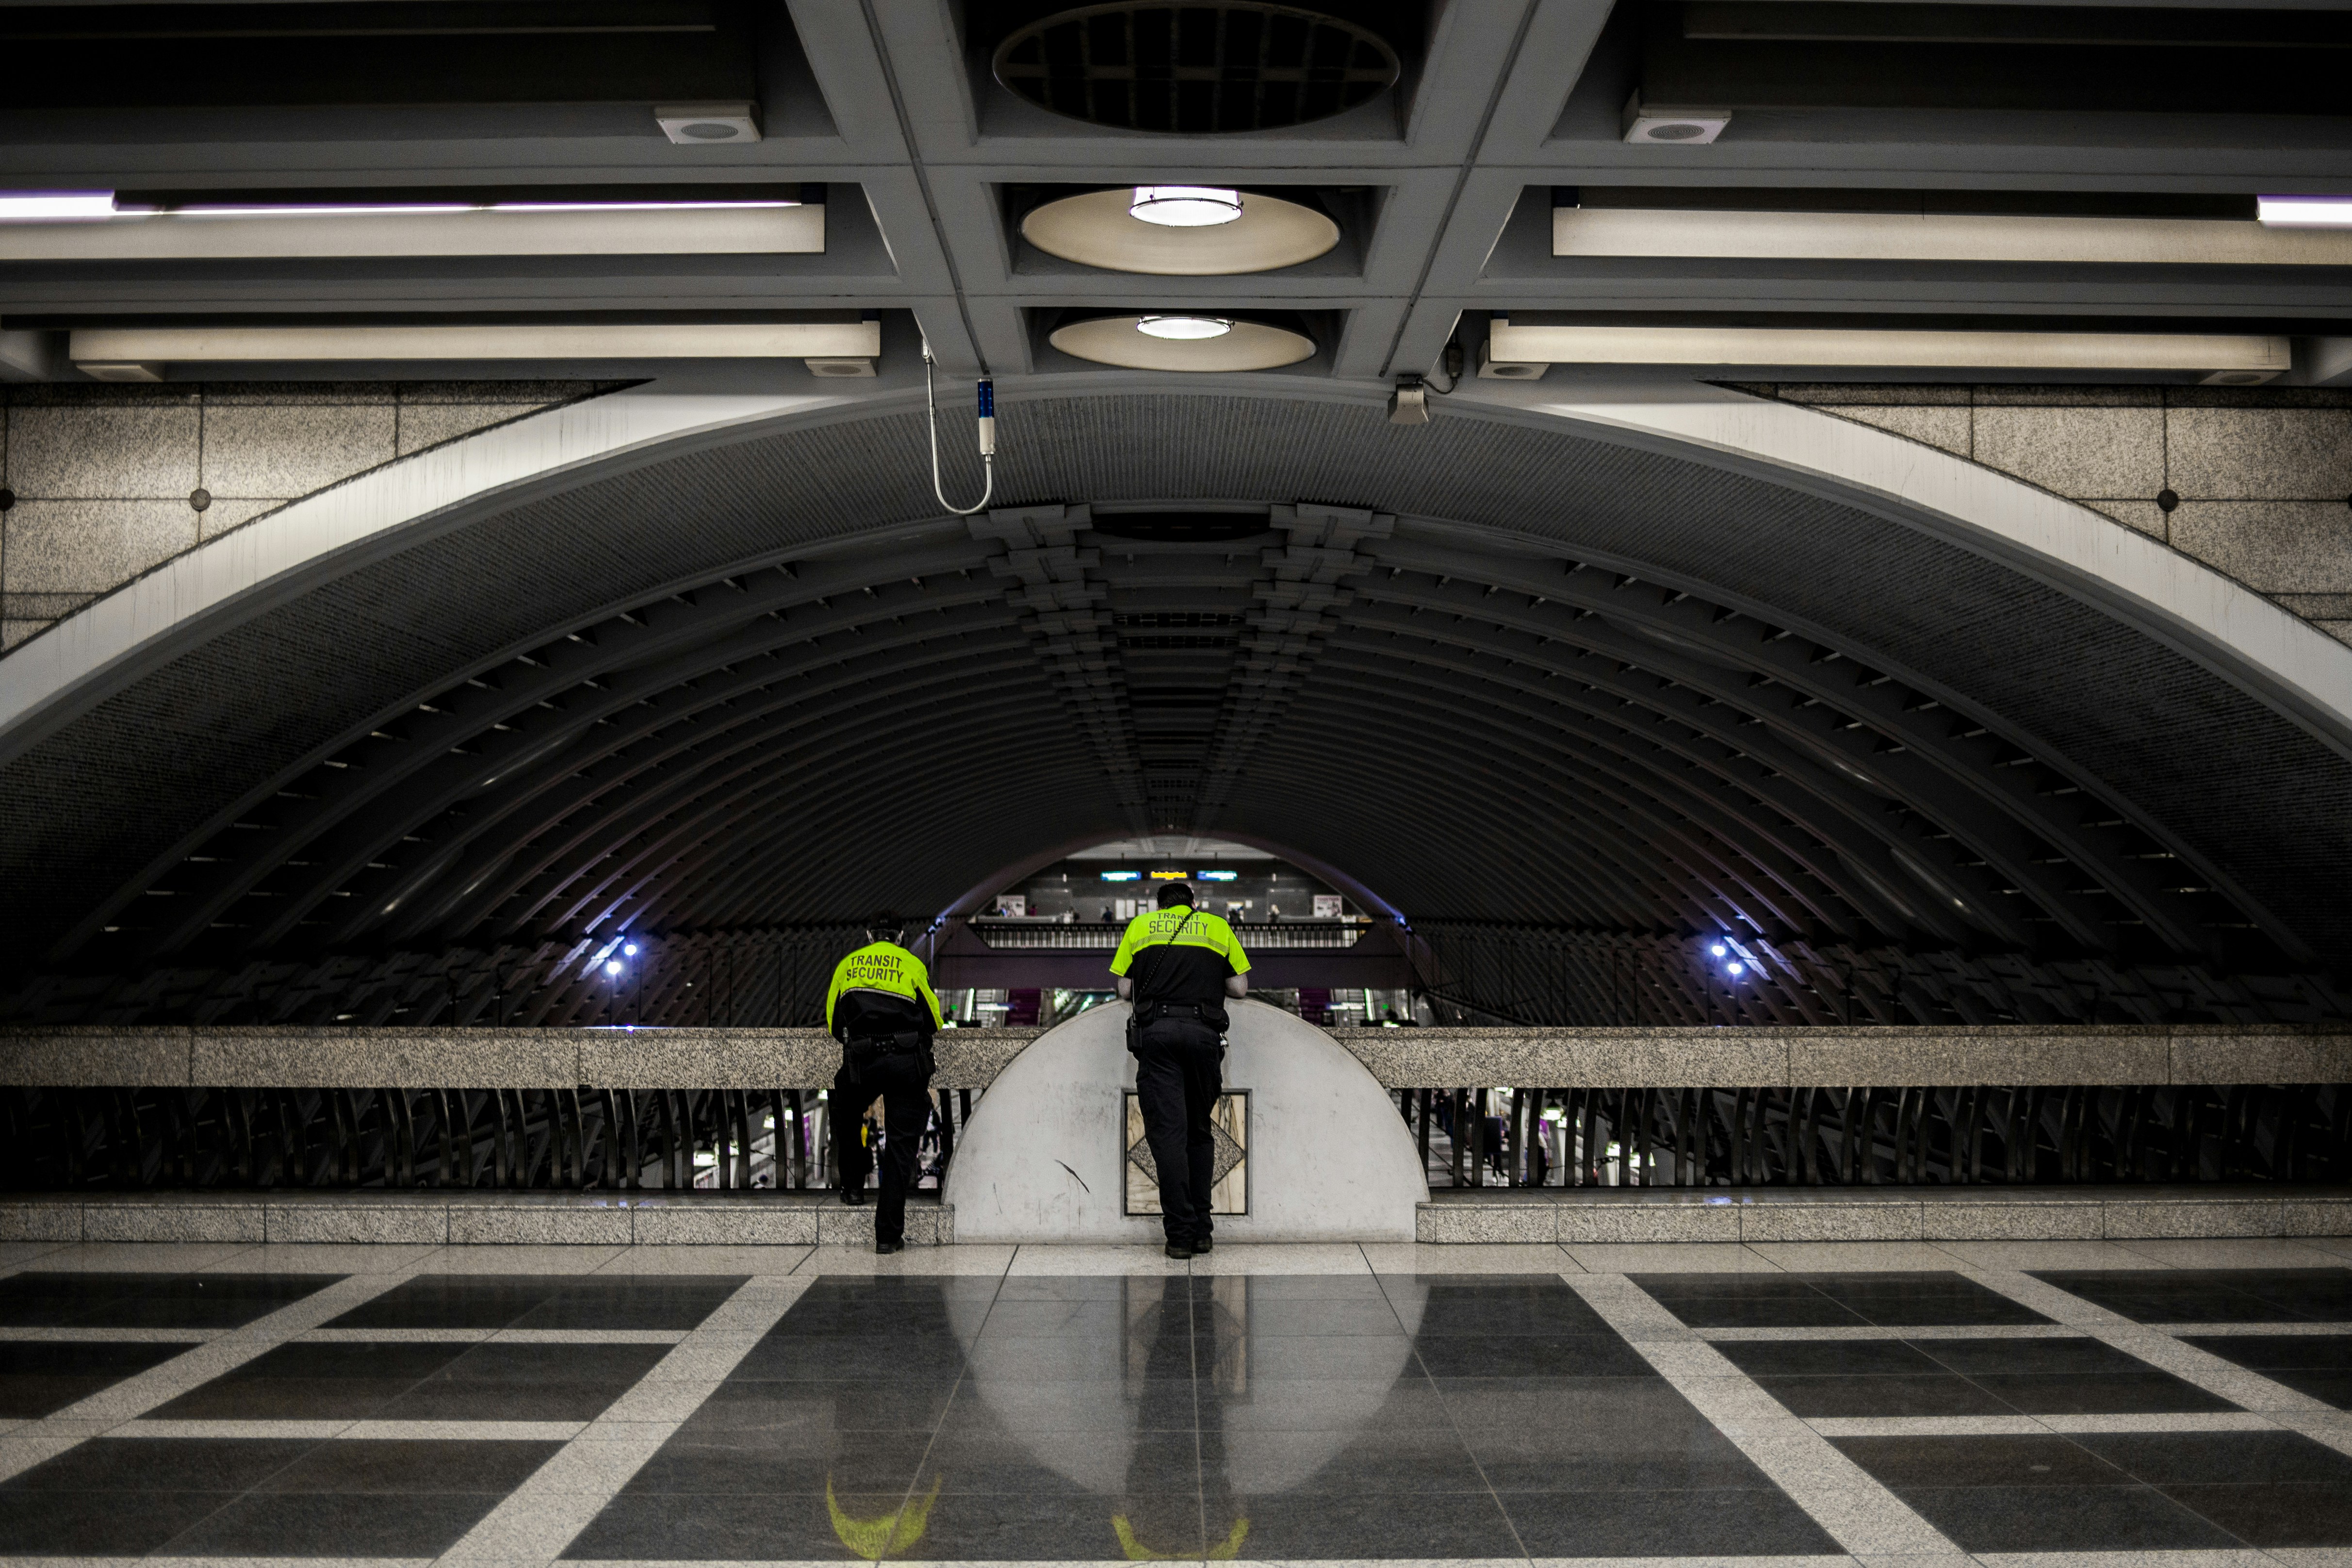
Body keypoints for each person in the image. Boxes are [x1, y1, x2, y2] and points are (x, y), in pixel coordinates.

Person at [1111, 881, 1251, 1258]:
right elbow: (1239, 987)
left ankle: (1179, 1236)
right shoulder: (1217, 927)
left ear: (1159, 906)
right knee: (1200, 1132)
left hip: (1156, 1039)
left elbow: (1124, 990)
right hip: (1204, 1038)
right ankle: (1203, 1232)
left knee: (1168, 1136)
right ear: (1193, 903)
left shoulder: (1140, 928)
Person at [823, 916, 943, 1255]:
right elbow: (934, 1021)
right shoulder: (912, 965)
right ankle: (888, 1236)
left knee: (844, 1108)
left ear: (869, 936)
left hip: (864, 1064)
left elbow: (834, 1024)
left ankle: (853, 1187)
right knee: (900, 1147)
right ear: (901, 937)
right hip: (907, 1065)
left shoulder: (848, 966)